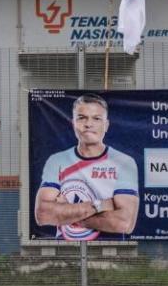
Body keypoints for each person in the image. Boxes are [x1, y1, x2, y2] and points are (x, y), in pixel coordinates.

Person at [34, 93, 138, 241]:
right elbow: (43, 214)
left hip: (110, 255)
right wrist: (100, 205)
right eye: (82, 118)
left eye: (96, 118)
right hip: (64, 253)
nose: (88, 124)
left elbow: (124, 223)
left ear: (106, 125)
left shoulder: (124, 162)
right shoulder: (57, 161)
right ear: (73, 123)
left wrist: (67, 215)